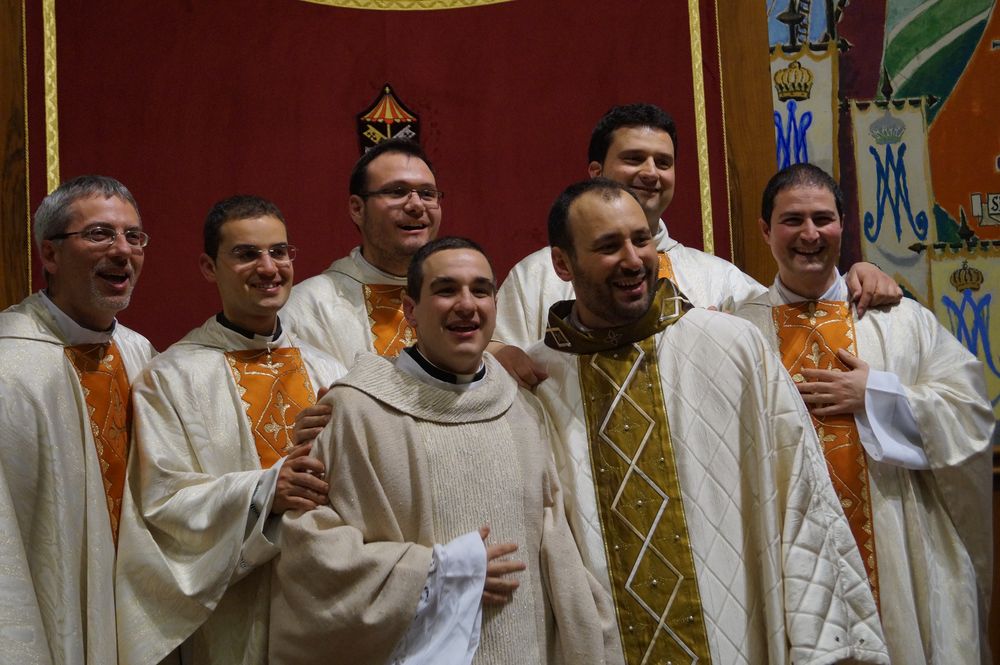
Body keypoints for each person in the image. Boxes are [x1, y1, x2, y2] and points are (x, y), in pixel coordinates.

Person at [527, 178, 889, 664]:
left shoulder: (733, 346)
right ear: (562, 263)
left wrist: (822, 646)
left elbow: (801, 497)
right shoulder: (538, 379)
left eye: (641, 240)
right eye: (609, 246)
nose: (633, 260)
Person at [270, 237, 621, 665]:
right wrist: (439, 575)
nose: (467, 304)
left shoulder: (522, 409)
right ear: (411, 309)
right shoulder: (355, 411)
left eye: (481, 290)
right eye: (446, 290)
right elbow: (310, 556)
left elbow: (557, 549)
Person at [733, 163, 994, 664]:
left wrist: (876, 394)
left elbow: (971, 415)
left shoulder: (900, 320)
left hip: (893, 551)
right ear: (765, 230)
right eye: (792, 220)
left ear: (842, 225)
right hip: (786, 551)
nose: (810, 234)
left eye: (822, 219)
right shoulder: (739, 331)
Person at [493, 103, 900, 385]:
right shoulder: (538, 275)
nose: (651, 173)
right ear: (596, 171)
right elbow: (495, 363)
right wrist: (495, 355)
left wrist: (854, 274)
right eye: (634, 158)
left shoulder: (715, 277)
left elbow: (789, 307)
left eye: (663, 162)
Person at [115, 196, 345, 664]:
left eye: (279, 252)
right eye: (246, 254)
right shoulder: (170, 377)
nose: (269, 268)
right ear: (209, 267)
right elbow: (162, 504)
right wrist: (265, 492)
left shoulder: (330, 369)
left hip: (329, 602)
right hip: (236, 616)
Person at [0, 175, 155, 664]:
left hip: (134, 610)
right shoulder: (9, 364)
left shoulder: (141, 354)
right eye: (99, 234)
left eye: (133, 236)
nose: (122, 250)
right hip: (53, 612)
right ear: (49, 254)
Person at [282, 138, 442, 366]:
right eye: (397, 192)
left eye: (427, 193)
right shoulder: (307, 308)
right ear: (357, 209)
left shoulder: (467, 297)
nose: (416, 205)